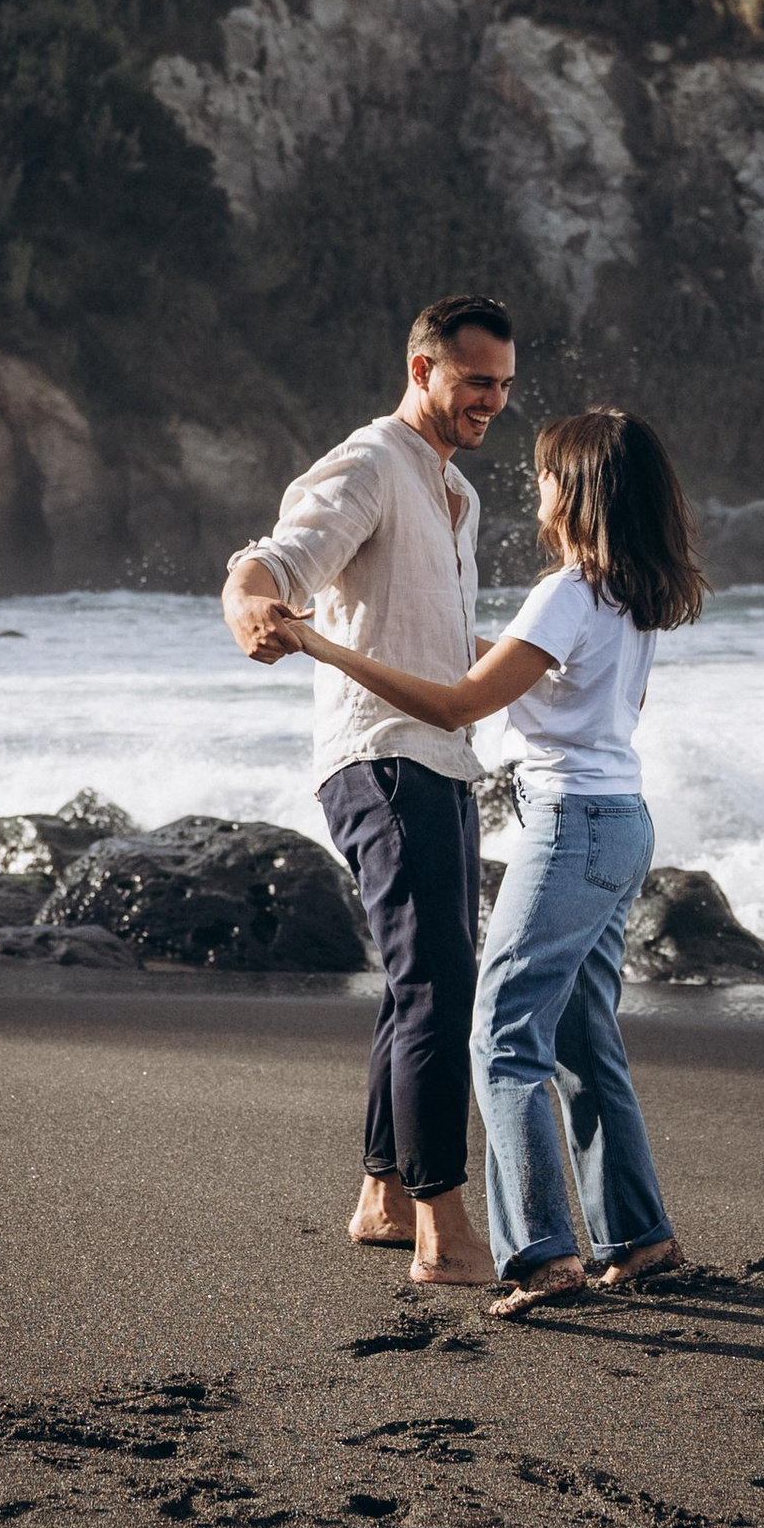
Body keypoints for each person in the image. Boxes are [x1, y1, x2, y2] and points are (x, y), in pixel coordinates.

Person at [253, 405, 705, 1315]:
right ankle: (638, 1237)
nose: (535, 485)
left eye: (546, 472)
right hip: (624, 820)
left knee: (501, 1035)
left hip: (569, 826)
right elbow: (544, 681)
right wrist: (419, 639)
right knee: (582, 1036)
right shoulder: (634, 593)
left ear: (574, 489)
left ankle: (539, 1256)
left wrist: (323, 644)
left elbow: (459, 706)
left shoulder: (566, 590)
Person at [220, 297, 518, 1289]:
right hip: (381, 757)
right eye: (475, 381)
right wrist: (248, 601)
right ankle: (442, 1225)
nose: (491, 401)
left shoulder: (456, 493)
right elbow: (277, 559)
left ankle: (384, 1197)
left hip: (443, 758)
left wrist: (554, 664)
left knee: (416, 979)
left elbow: (436, 633)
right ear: (421, 368)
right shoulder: (371, 462)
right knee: (440, 983)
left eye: (503, 386)